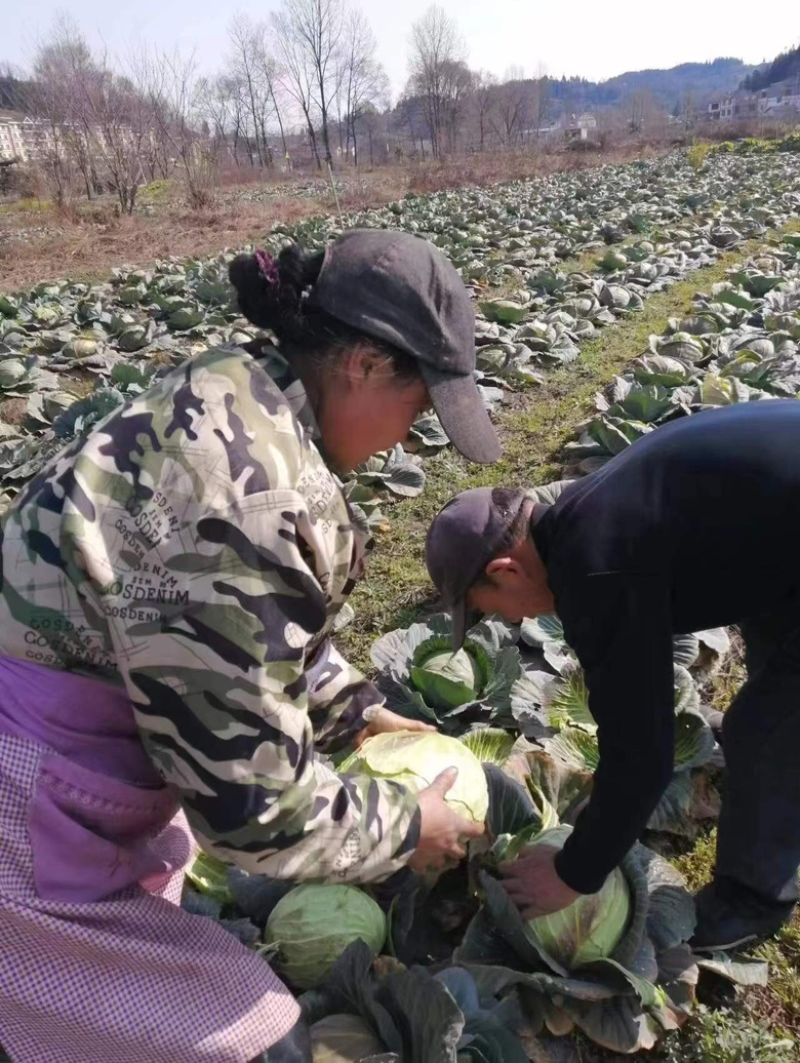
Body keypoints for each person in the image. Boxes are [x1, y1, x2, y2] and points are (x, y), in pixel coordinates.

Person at [0, 229, 500, 1063]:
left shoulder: (241, 387)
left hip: (74, 756)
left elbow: (243, 633)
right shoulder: (251, 500)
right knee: (252, 1041)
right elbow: (254, 815)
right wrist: (411, 824)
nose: (411, 440)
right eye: (419, 409)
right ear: (366, 366)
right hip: (21, 814)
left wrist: (361, 716)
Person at [424, 400, 800, 953]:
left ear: (506, 570)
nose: (506, 621)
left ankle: (753, 900)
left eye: (486, 608)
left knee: (762, 732)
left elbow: (643, 753)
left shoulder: (599, 565)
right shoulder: (582, 512)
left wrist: (575, 871)